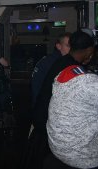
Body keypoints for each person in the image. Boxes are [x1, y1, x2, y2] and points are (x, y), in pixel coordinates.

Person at [23, 30, 95, 169]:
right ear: (88, 50)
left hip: (42, 117)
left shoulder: (61, 61)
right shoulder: (68, 66)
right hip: (47, 123)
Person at [46, 65, 98, 169]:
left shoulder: (65, 72)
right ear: (89, 53)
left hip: (57, 148)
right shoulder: (92, 84)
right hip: (83, 158)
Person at [31, 32, 71, 108]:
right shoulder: (56, 62)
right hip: (45, 107)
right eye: (68, 46)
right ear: (58, 46)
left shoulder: (52, 59)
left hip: (41, 105)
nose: (71, 49)